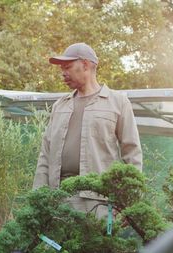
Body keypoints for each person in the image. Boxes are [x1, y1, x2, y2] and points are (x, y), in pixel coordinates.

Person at [33, 42, 142, 217]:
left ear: (85, 65)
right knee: (59, 245)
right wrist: (38, 198)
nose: (63, 73)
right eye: (62, 69)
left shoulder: (118, 102)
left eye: (68, 67)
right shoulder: (60, 106)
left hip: (99, 201)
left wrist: (128, 205)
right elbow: (45, 154)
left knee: (98, 245)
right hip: (58, 198)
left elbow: (132, 153)